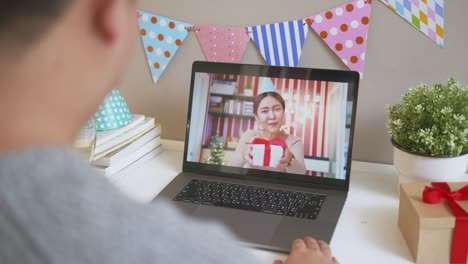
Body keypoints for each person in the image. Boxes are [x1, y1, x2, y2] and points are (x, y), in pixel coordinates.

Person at [0, 1, 336, 263]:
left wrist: (289, 158)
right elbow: (232, 166)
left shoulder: (293, 140)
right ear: (109, 14)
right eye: (265, 108)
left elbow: (301, 172)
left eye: (277, 108)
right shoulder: (182, 251)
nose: (272, 114)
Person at [230, 80, 307, 174]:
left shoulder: (294, 142)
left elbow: (301, 173)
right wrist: (243, 153)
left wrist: (291, 158)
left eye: (277, 109)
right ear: (257, 117)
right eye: (264, 111)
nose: (272, 116)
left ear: (283, 113)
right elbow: (231, 168)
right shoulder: (249, 136)